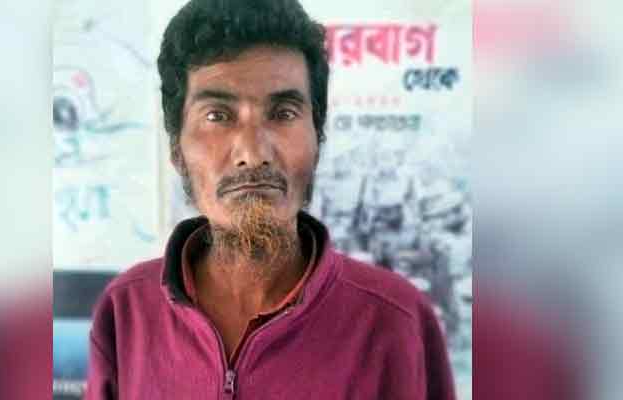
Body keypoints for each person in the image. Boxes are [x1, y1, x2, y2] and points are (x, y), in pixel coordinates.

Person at [85, 0, 456, 399]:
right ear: (177, 149)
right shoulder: (126, 313)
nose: (252, 153)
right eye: (217, 116)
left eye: (283, 113)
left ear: (318, 140)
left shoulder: (397, 322)